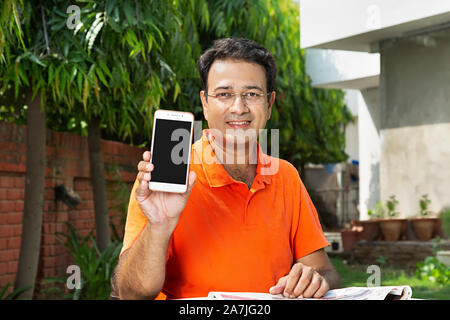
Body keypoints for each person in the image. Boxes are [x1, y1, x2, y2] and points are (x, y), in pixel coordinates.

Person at [115, 37, 341, 300]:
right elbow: (130, 293)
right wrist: (159, 226)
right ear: (205, 103)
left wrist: (315, 279)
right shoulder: (166, 180)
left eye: (252, 94)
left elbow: (327, 271)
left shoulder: (286, 176)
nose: (239, 108)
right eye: (224, 94)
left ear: (269, 105)